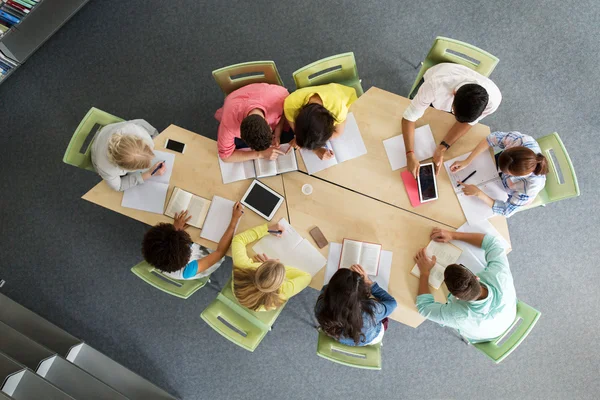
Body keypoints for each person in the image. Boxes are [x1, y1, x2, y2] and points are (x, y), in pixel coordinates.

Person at [415, 228, 517, 342]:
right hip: (508, 315)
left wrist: (424, 273)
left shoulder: (458, 315)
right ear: (475, 277)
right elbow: (493, 242)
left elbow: (423, 307)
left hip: (484, 335)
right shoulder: (500, 276)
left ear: (455, 297)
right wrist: (453, 235)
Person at [402, 63, 502, 177]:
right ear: (453, 94)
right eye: (454, 113)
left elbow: (468, 123)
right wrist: (409, 154)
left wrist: (442, 148)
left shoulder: (493, 100)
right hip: (437, 79)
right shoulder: (434, 86)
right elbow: (409, 117)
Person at [450, 131, 548, 217]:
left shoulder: (530, 187)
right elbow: (491, 139)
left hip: (508, 190)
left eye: (505, 171)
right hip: (498, 175)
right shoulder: (521, 141)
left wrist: (479, 194)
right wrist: (468, 160)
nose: (500, 170)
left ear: (516, 175)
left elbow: (506, 210)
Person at [142, 202, 244, 280]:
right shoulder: (188, 270)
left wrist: (176, 229)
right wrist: (234, 220)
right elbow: (220, 252)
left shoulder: (156, 253)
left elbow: (167, 243)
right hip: (209, 255)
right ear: (187, 251)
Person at [231, 223, 311, 311]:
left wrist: (273, 268)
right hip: (251, 302)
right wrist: (274, 267)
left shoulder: (243, 267)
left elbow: (238, 240)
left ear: (260, 268)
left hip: (241, 292)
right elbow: (307, 277)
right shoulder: (282, 293)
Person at [315, 265, 397, 346]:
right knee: (382, 320)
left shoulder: (321, 303)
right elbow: (392, 303)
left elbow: (328, 288)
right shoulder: (370, 310)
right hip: (365, 339)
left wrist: (344, 281)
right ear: (362, 291)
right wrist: (369, 283)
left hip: (337, 335)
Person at [216, 83, 290, 163]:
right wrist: (260, 154)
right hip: (234, 102)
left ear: (267, 123)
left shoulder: (281, 96)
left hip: (266, 94)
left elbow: (286, 109)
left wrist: (277, 132)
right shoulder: (228, 126)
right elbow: (225, 157)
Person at [283, 83, 358, 160]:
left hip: (348, 100)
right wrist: (314, 148)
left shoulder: (338, 110)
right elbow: (297, 132)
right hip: (330, 94)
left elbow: (338, 133)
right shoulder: (290, 105)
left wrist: (316, 148)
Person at [91, 119, 166, 191]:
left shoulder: (134, 129)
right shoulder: (107, 169)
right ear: (124, 168)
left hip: (108, 131)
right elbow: (119, 186)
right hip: (97, 149)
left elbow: (143, 125)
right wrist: (149, 173)